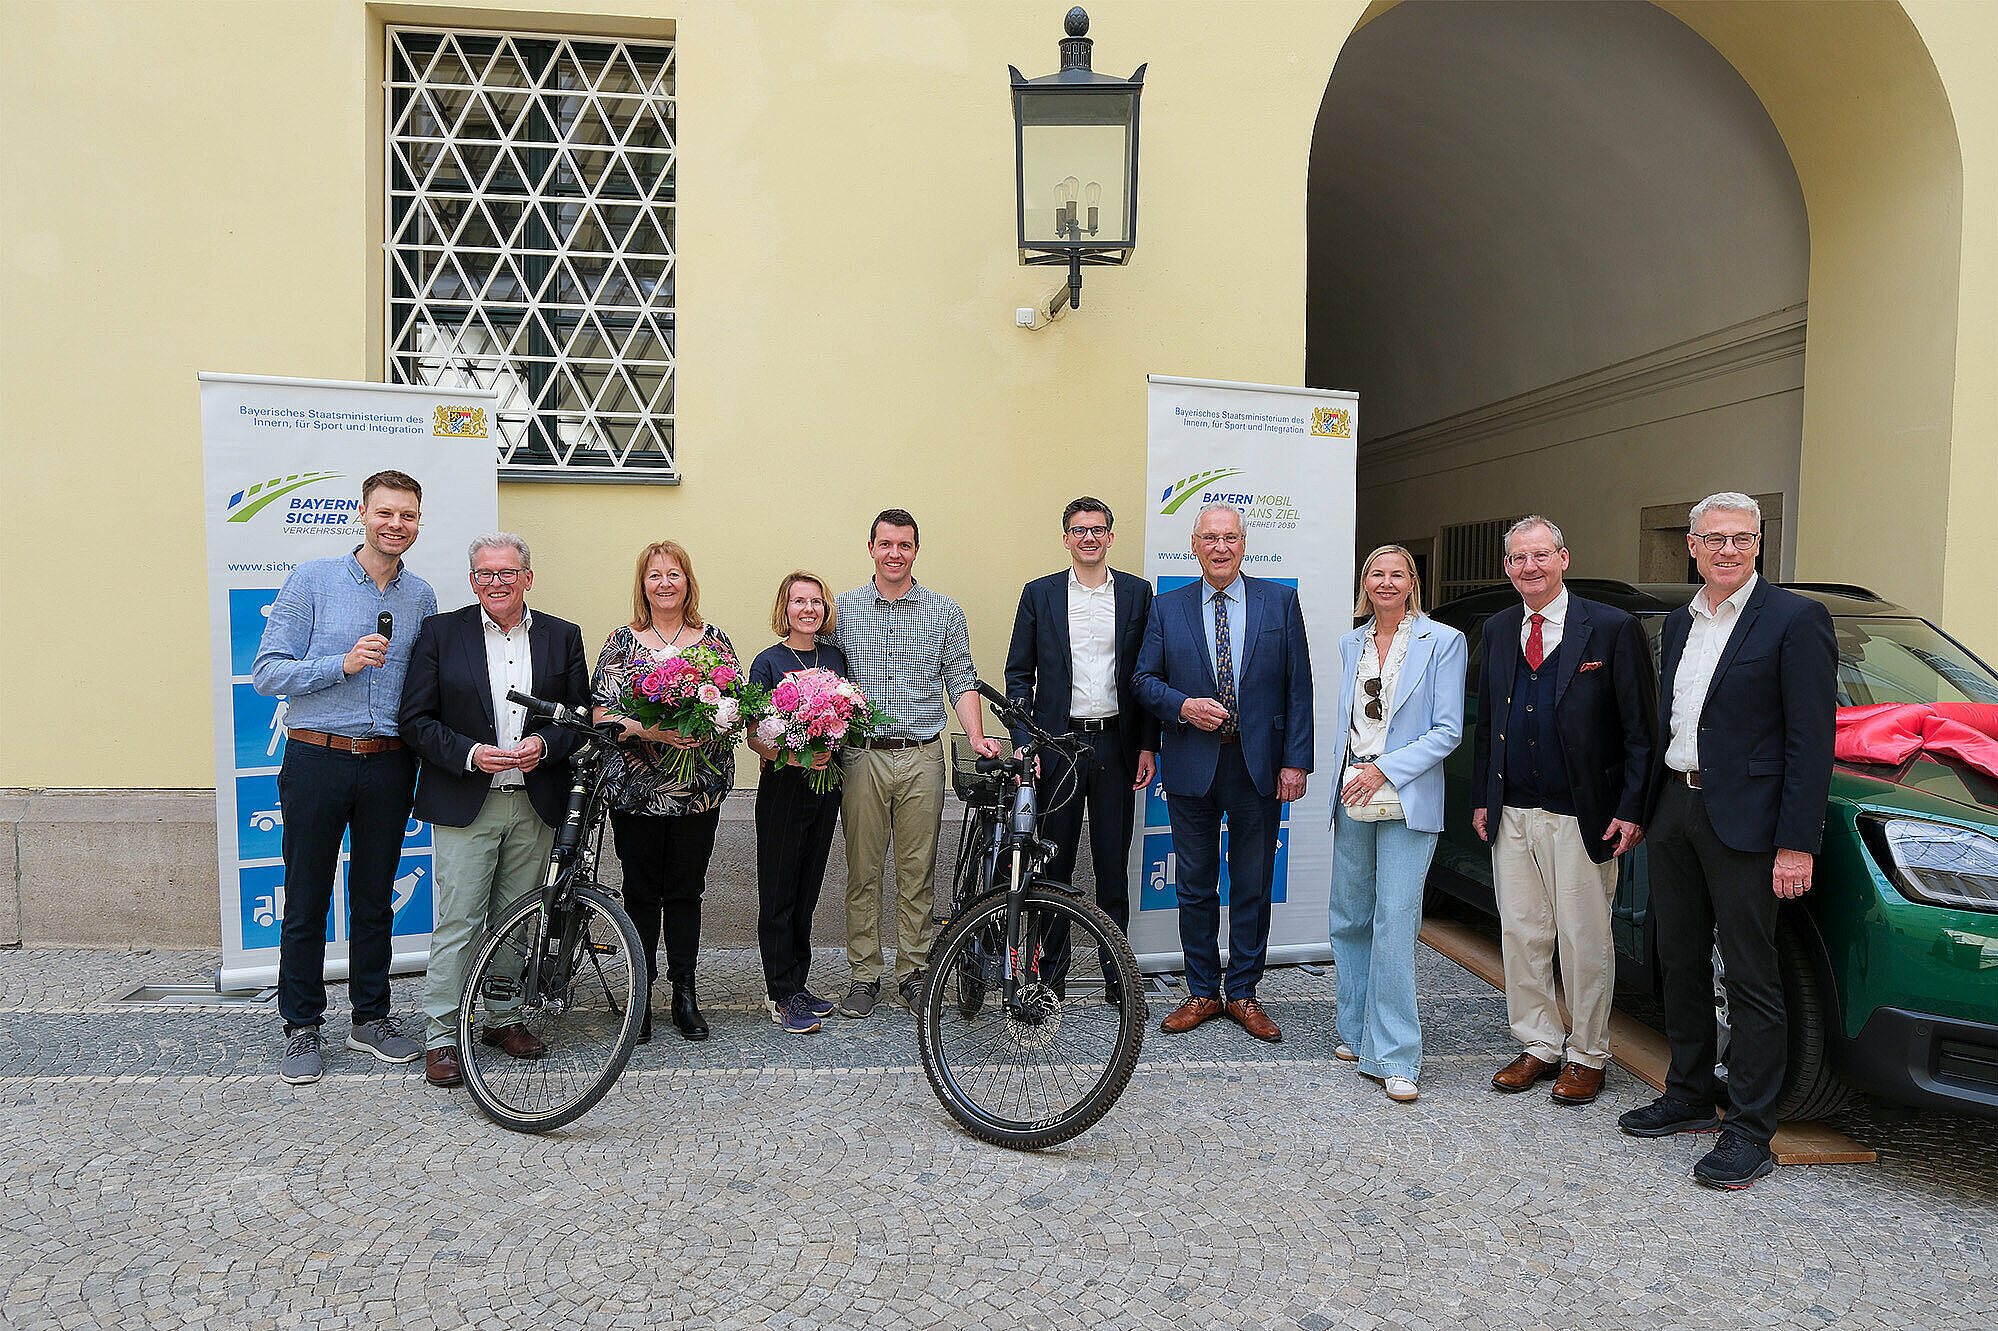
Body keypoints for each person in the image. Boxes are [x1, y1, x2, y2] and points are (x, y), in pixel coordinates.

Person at [1619, 492, 1836, 1189]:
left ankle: (1749, 1129)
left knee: (1749, 973)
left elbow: (1811, 741)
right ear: (1692, 546)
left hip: (1749, 821)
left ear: (1759, 543)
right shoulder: (1681, 621)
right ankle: (1688, 1093)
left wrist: (1796, 843)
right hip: (1676, 807)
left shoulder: (1796, 619)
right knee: (1678, 959)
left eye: (1742, 538)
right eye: (1714, 538)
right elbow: (1673, 719)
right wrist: (1644, 809)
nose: (1728, 550)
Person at [252, 469, 437, 1085]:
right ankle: (302, 1025)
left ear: (418, 522)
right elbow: (267, 672)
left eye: (407, 515)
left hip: (388, 762)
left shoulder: (421, 596)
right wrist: (343, 663)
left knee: (374, 898)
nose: (395, 525)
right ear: (362, 513)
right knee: (306, 897)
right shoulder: (313, 581)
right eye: (385, 512)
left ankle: (371, 1018)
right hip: (317, 758)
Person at [1472, 517, 1656, 1107]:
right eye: (1519, 558)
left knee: (1583, 938)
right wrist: (1483, 796)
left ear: (1563, 558)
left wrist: (1631, 807)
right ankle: (1538, 1043)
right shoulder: (1499, 628)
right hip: (1512, 810)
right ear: (1507, 567)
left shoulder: (1611, 628)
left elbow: (1640, 729)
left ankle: (1587, 1053)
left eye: (1541, 555)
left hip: (1583, 812)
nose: (1530, 567)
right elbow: (1488, 722)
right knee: (1522, 933)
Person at [398, 533, 591, 1088]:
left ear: (527, 577)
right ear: (472, 579)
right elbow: (415, 721)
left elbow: (579, 716)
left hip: (533, 802)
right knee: (460, 921)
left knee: (517, 918)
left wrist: (546, 745)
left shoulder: (562, 635)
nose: (496, 582)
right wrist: (470, 754)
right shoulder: (441, 633)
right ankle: (442, 1034)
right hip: (467, 802)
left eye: (507, 573)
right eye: (485, 574)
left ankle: (502, 1018)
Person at [1133, 502, 1312, 1043]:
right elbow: (1143, 681)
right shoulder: (1167, 607)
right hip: (1192, 764)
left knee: (1253, 884)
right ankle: (1202, 991)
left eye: (1229, 537)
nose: (1220, 547)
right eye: (1210, 538)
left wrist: (1295, 761)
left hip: (1258, 766)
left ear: (1243, 544)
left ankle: (1244, 992)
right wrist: (1183, 706)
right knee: (1194, 885)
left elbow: (1298, 686)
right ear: (1194, 546)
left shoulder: (1279, 602)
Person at [832, 509, 1003, 1018]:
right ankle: (864, 975)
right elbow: (824, 679)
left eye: (904, 545)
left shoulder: (944, 611)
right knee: (863, 869)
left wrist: (977, 736)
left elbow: (961, 679)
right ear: (871, 548)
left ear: (916, 551)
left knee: (917, 869)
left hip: (922, 754)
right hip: (862, 756)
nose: (895, 554)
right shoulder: (841, 610)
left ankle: (913, 971)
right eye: (886, 544)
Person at [1325, 544, 1467, 1103]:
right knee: (1350, 917)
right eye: (1377, 574)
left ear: (1412, 583)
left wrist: (1382, 770)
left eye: (1397, 574)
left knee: (1395, 921)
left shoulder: (1444, 641)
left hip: (1404, 793)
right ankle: (1355, 1030)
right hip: (1353, 790)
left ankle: (1396, 1053)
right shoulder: (1351, 642)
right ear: (1366, 582)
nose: (1386, 583)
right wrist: (1353, 773)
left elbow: (1447, 730)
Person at [1002, 497, 1159, 972]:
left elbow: (1149, 674)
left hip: (1115, 744)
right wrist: (1024, 741)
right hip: (1057, 747)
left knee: (1113, 866)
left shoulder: (1137, 593)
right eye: (1079, 530)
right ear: (1066, 538)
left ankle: (1118, 977)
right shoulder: (1040, 593)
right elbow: (1018, 675)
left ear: (1110, 537)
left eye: (1097, 529)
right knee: (1054, 864)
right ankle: (1051, 976)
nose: (1088, 537)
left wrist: (1147, 744)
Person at [592, 540, 738, 1043]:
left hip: (696, 791)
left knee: (685, 891)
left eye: (674, 574)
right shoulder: (622, 642)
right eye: (654, 575)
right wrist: (652, 730)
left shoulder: (713, 642)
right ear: (643, 585)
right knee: (639, 892)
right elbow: (602, 714)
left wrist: (706, 722)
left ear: (688, 581)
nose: (665, 583)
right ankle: (641, 994)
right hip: (638, 793)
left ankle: (684, 993)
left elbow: (735, 706)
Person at [746, 571, 850, 1035]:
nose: (808, 609)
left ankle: (799, 984)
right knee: (779, 892)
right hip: (784, 788)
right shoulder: (768, 662)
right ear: (783, 609)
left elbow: (849, 715)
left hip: (825, 785)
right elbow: (754, 736)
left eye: (816, 601)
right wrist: (793, 754)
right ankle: (780, 992)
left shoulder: (834, 657)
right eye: (798, 601)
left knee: (807, 891)